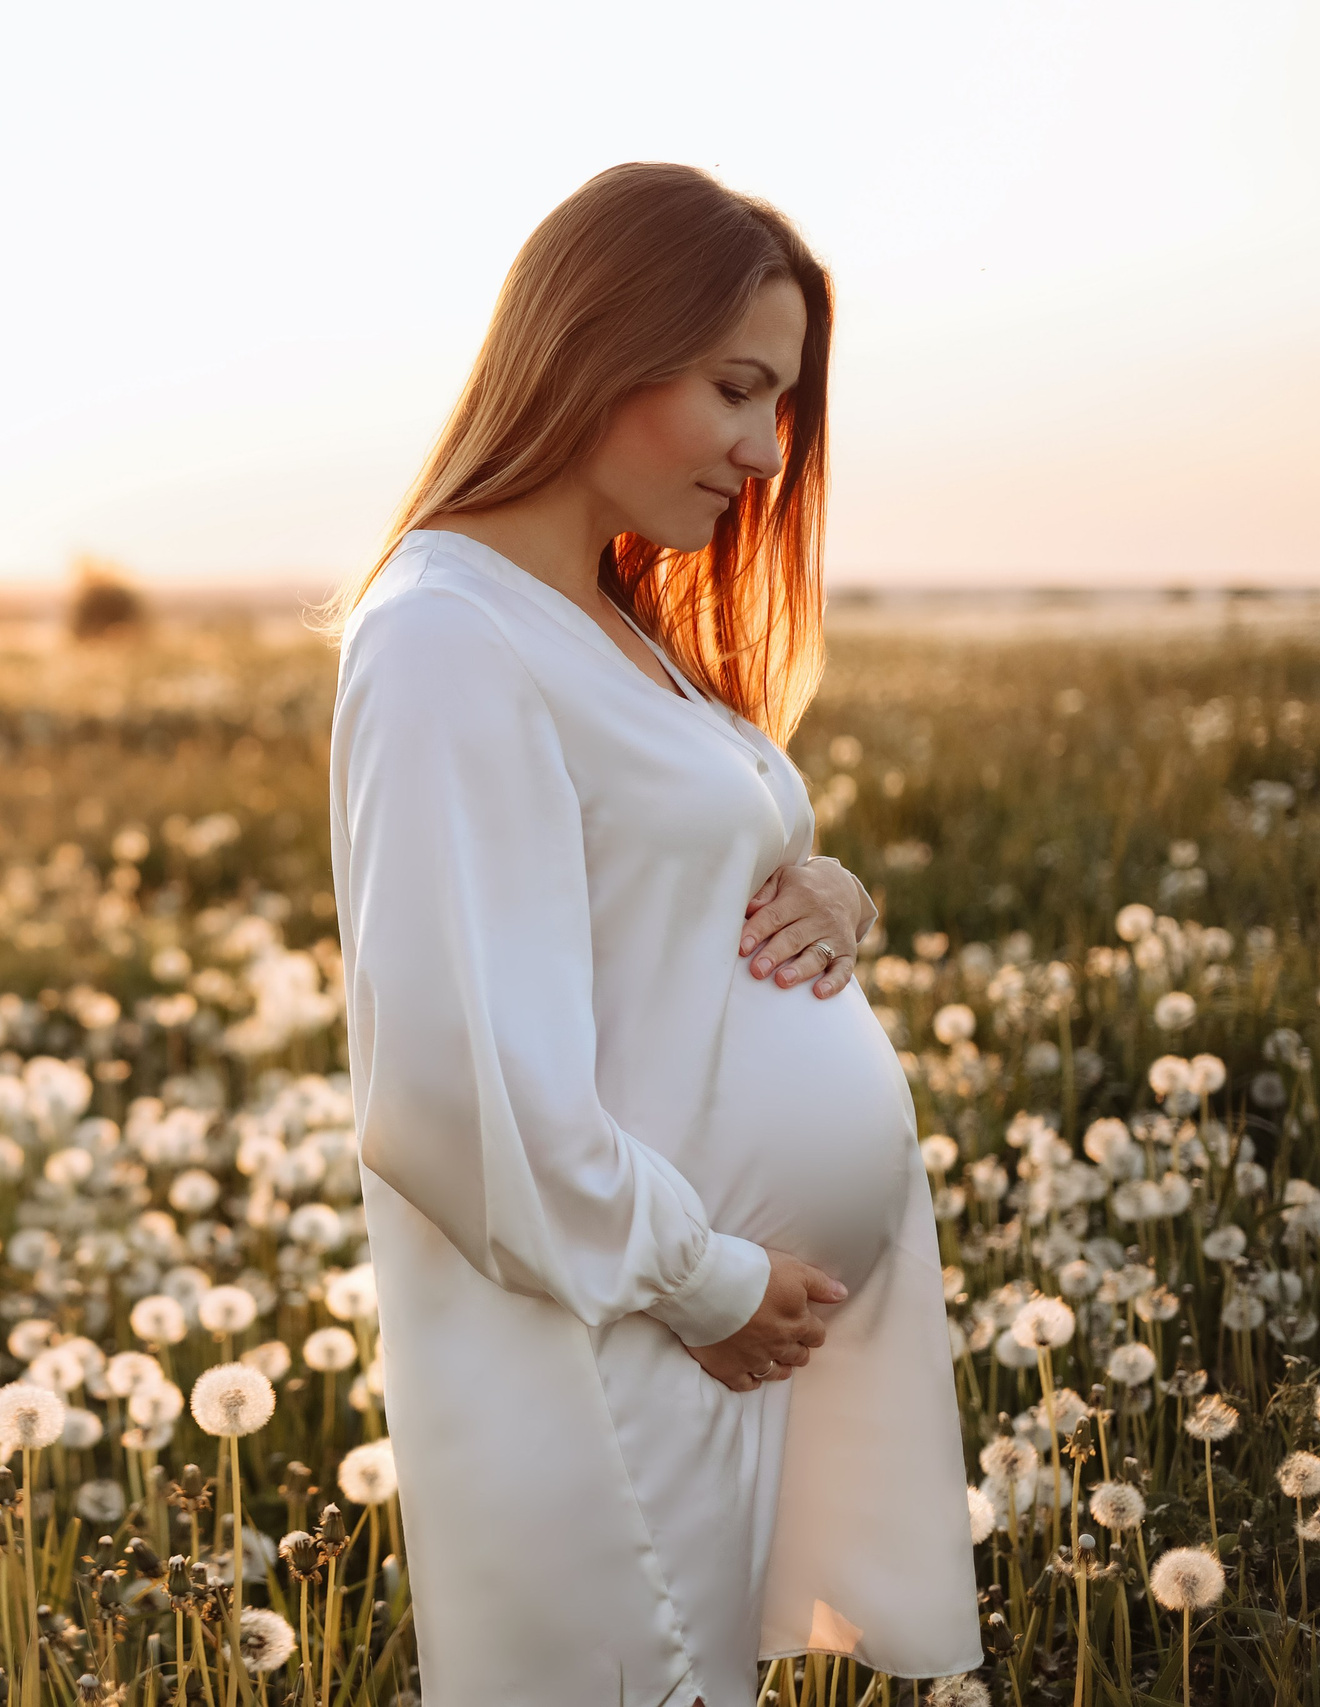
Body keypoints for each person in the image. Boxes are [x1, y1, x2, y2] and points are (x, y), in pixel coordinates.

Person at [314, 163, 984, 1707]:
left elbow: (663, 887)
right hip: (613, 1344)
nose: (764, 454)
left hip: (706, 1330)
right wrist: (702, 1279)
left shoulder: (606, 618)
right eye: (735, 390)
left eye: (784, 407)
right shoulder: (443, 637)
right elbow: (448, 1082)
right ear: (594, 347)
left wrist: (833, 890)